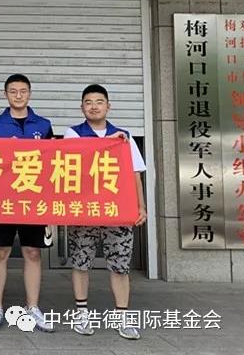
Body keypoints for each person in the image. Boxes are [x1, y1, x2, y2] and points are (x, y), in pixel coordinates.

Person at [64, 84, 148, 340]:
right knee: (81, 262)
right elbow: (74, 162)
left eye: (99, 102)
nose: (94, 106)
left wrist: (140, 206)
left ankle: (122, 318)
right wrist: (106, 143)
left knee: (120, 265)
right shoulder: (73, 133)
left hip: (117, 211)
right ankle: (82, 315)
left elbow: (134, 174)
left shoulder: (124, 137)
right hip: (84, 210)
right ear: (82, 107)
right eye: (88, 102)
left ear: (108, 106)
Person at [0, 73, 55, 333]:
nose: (18, 95)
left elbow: (52, 163)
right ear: (5, 94)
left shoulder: (44, 125)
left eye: (23, 91)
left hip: (33, 199)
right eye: (13, 91)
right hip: (3, 199)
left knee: (32, 253)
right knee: (0, 252)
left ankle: (32, 307)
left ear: (30, 94)